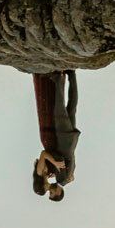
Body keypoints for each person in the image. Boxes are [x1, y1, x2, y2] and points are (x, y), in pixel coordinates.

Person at [31, 69, 80, 202]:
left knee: (72, 106)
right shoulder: (60, 179)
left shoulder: (62, 178)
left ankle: (72, 75)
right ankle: (58, 80)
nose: (49, 190)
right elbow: (57, 159)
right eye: (51, 193)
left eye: (47, 191)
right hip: (64, 140)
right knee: (59, 110)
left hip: (72, 141)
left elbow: (71, 173)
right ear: (58, 192)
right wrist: (57, 165)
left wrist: (66, 178)